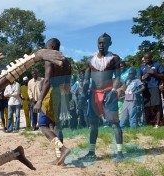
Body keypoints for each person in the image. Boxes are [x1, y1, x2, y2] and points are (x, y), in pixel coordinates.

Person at [80, 33, 123, 162]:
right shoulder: (90, 59)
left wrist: (114, 90)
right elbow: (87, 79)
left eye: (104, 43)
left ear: (109, 43)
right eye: (99, 42)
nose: (101, 45)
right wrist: (83, 93)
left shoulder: (114, 58)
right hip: (94, 94)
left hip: (108, 93)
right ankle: (91, 152)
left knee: (114, 123)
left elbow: (118, 77)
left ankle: (120, 153)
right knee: (93, 124)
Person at [33, 38, 71, 166]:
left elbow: (48, 81)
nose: (45, 50)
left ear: (53, 47)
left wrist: (39, 100)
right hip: (63, 94)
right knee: (56, 125)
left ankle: (63, 149)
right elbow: (68, 83)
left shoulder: (50, 59)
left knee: (42, 125)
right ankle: (60, 158)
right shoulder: (67, 62)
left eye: (47, 47)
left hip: (52, 93)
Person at [140, 52, 164, 128]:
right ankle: (147, 122)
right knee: (147, 106)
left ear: (151, 57)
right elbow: (140, 79)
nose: (146, 60)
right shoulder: (142, 67)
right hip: (146, 88)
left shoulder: (157, 64)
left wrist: (154, 73)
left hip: (155, 87)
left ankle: (157, 123)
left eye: (147, 58)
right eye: (145, 58)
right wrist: (143, 78)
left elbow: (163, 76)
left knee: (157, 105)